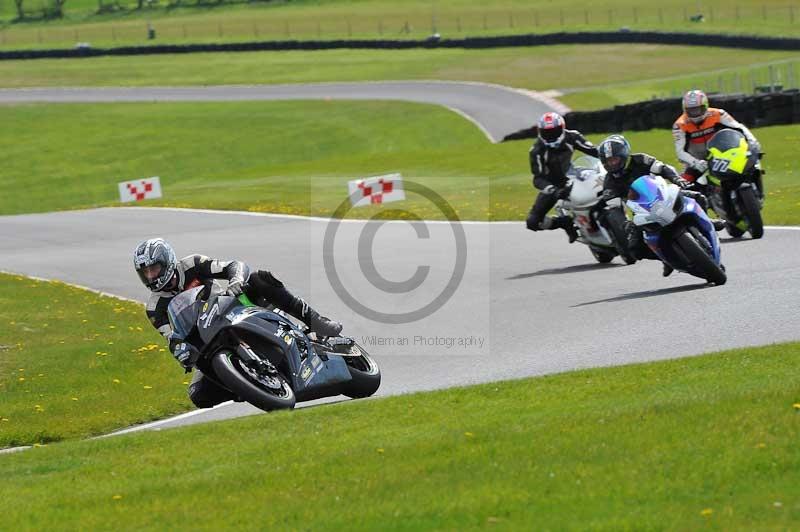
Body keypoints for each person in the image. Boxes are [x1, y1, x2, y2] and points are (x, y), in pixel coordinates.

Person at [133, 238, 342, 408]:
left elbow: (234, 266)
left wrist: (236, 281)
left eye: (154, 269)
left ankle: (316, 321)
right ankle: (248, 383)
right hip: (204, 341)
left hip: (230, 308)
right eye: (146, 272)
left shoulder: (192, 264)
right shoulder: (154, 308)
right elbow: (172, 337)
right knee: (199, 395)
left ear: (167, 261)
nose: (151, 276)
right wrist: (181, 351)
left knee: (259, 278)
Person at [596, 135, 723, 277]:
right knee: (635, 250)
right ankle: (665, 259)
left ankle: (707, 221)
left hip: (664, 194)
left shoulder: (640, 159)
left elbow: (662, 168)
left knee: (698, 197)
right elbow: (614, 209)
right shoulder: (609, 182)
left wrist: (677, 179)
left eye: (614, 159)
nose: (612, 164)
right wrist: (625, 223)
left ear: (624, 155)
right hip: (642, 212)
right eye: (608, 162)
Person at [527, 112, 599, 243]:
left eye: (554, 131)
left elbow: (594, 151)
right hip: (554, 186)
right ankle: (563, 222)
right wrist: (553, 190)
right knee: (533, 222)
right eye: (547, 133)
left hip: (575, 175)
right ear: (540, 132)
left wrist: (610, 159)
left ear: (562, 128)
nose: (551, 135)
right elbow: (538, 178)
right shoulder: (537, 151)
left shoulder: (572, 136)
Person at [672, 89, 761, 192]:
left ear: (705, 106)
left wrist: (752, 141)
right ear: (685, 110)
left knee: (751, 163)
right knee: (682, 186)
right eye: (691, 111)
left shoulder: (718, 114)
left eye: (698, 109)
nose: (695, 114)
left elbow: (739, 128)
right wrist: (696, 163)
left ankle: (756, 187)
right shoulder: (679, 125)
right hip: (696, 160)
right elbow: (680, 152)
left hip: (721, 154)